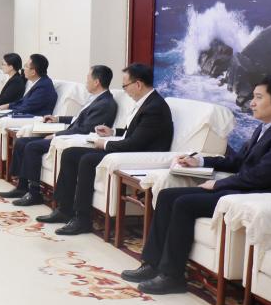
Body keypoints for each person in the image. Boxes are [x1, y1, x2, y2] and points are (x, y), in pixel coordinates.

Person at [122, 75, 271, 294]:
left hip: (261, 196)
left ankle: (172, 276)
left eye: (259, 97)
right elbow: (238, 161)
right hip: (244, 188)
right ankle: (151, 264)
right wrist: (200, 161)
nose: (252, 103)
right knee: (167, 195)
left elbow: (263, 176)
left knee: (184, 203)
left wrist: (217, 185)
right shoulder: (266, 127)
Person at [43, 63, 174, 236]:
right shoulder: (146, 102)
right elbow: (134, 132)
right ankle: (64, 209)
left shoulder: (154, 107)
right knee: (70, 153)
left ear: (138, 84)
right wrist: (113, 132)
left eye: (125, 86)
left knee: (87, 159)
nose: (124, 90)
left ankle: (82, 219)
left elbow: (135, 143)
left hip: (140, 156)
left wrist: (104, 144)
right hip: (130, 148)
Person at [0, 65, 117, 207]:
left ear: (96, 82)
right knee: (22, 142)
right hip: (68, 133)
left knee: (32, 147)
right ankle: (22, 187)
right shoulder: (96, 99)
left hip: (73, 139)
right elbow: (79, 119)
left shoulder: (105, 103)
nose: (86, 81)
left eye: (88, 78)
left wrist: (56, 135)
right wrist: (58, 119)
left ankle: (34, 193)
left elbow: (86, 129)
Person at [0, 54, 56, 176]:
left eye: (26, 66)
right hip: (21, 113)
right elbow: (23, 101)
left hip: (31, 117)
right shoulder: (37, 82)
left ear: (33, 71)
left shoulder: (44, 86)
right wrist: (8, 105)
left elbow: (28, 107)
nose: (23, 69)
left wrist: (10, 111)